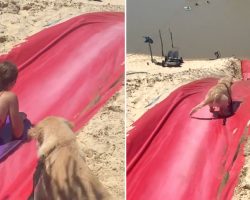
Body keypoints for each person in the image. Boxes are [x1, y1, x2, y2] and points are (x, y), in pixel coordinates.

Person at [0, 61, 26, 139]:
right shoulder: (9, 97)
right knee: (26, 123)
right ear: (12, 83)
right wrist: (19, 118)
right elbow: (18, 133)